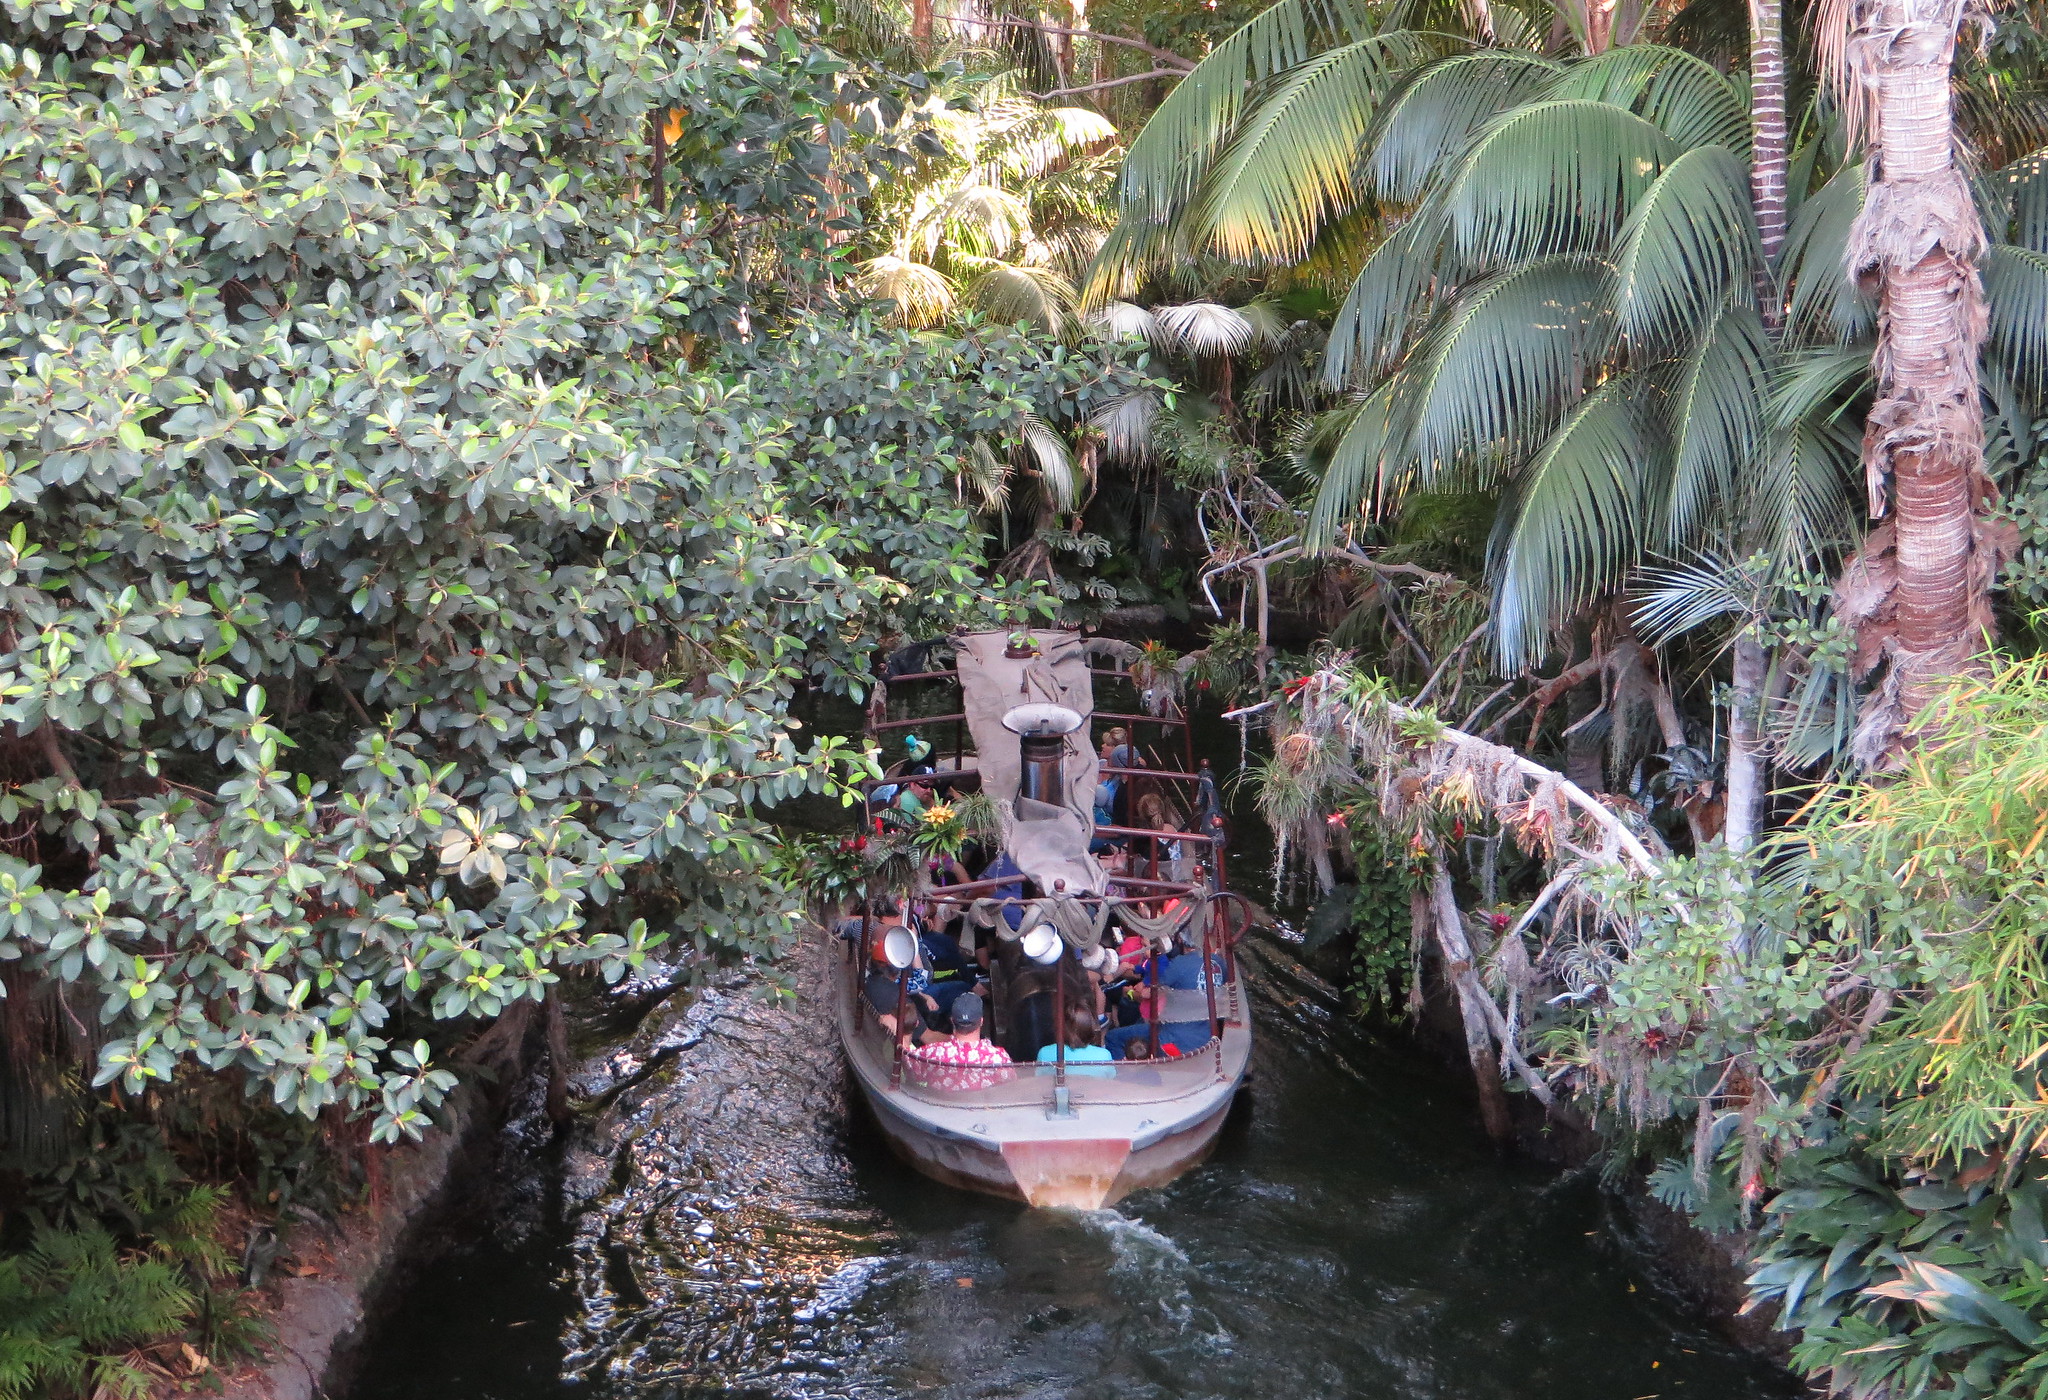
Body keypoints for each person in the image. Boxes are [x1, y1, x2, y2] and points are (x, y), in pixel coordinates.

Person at [904, 992, 1012, 1092]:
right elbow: (1009, 1088)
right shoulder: (999, 1058)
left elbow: (908, 1069)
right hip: (981, 1111)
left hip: (940, 1111)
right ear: (981, 1021)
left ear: (952, 1020)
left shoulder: (931, 1053)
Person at [1035, 1005, 1115, 1078]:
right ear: (1090, 1027)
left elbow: (1039, 1083)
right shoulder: (1104, 1055)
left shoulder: (1045, 1053)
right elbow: (1111, 1083)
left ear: (1060, 1027)